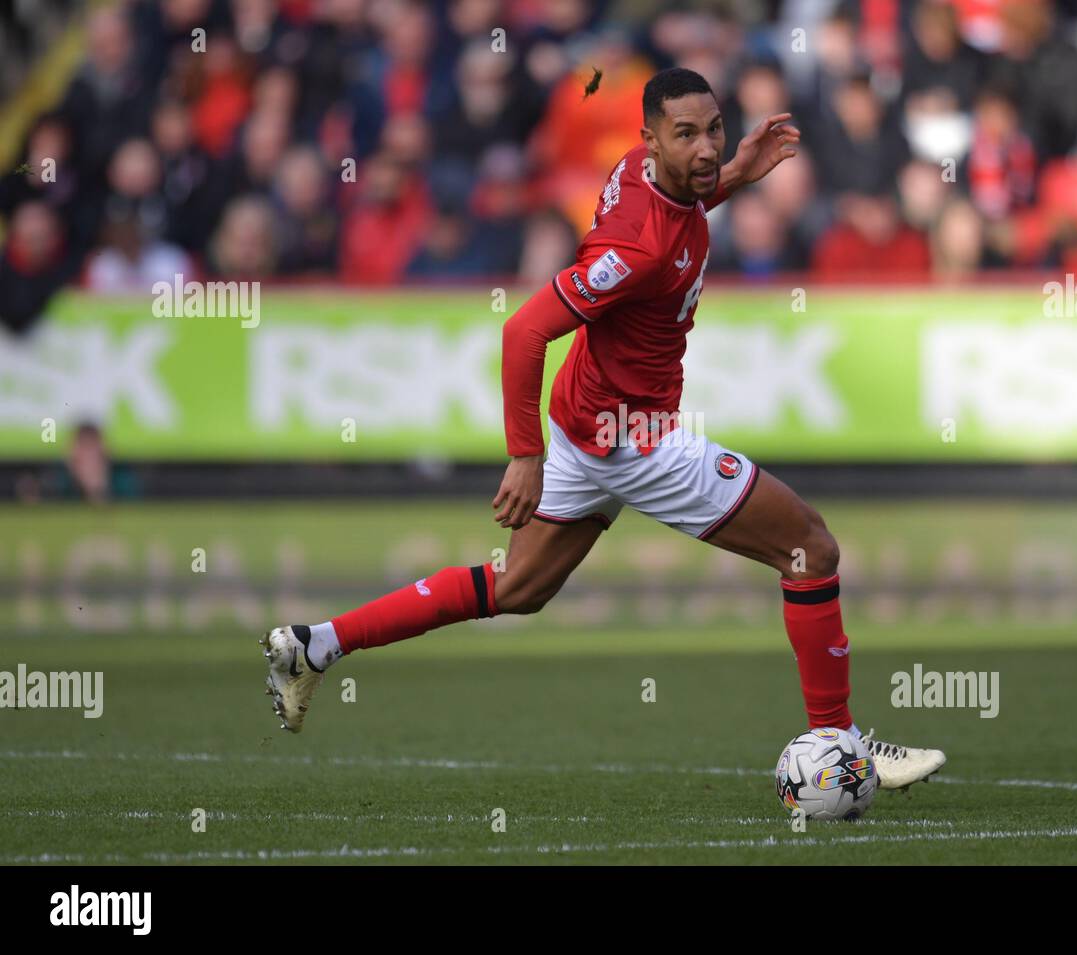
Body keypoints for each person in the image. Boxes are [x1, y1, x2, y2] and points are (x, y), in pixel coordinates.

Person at [259, 68, 946, 791]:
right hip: (634, 440)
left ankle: (314, 645)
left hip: (587, 424)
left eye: (713, 128)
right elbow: (524, 330)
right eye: (688, 135)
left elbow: (687, 194)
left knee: (518, 586)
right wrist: (523, 456)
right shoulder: (636, 250)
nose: (707, 146)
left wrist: (736, 172)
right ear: (652, 137)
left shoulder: (642, 171)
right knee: (810, 547)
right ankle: (839, 743)